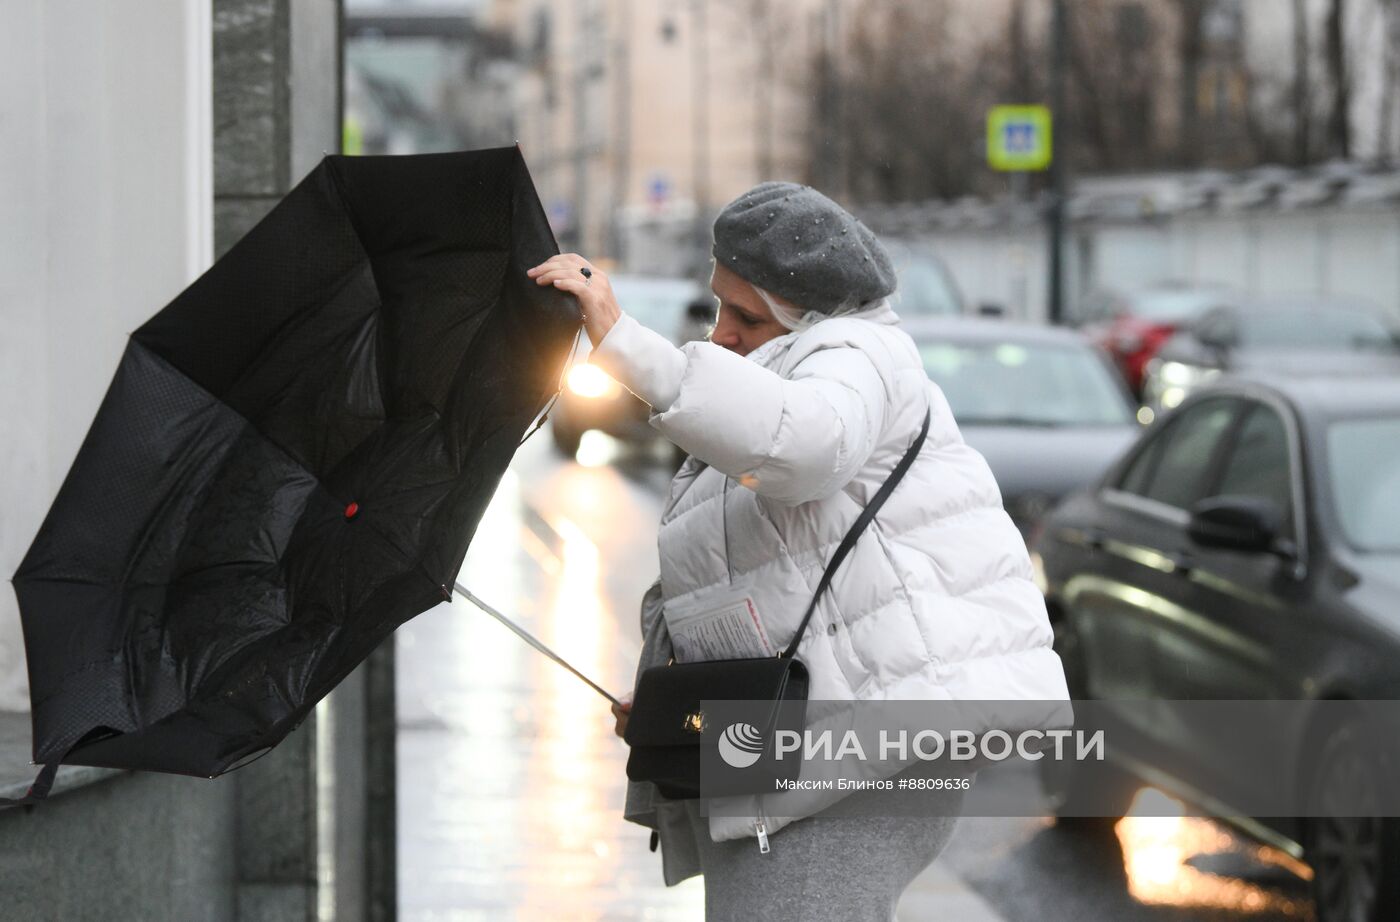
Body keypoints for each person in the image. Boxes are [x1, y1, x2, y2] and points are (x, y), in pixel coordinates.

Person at [527, 181, 1069, 921]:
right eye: (719, 306)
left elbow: (805, 443)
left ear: (806, 317)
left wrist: (624, 342)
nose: (721, 334)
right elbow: (760, 577)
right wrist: (669, 701)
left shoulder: (859, 351)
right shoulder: (770, 382)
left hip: (861, 749)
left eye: (744, 316)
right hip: (806, 738)